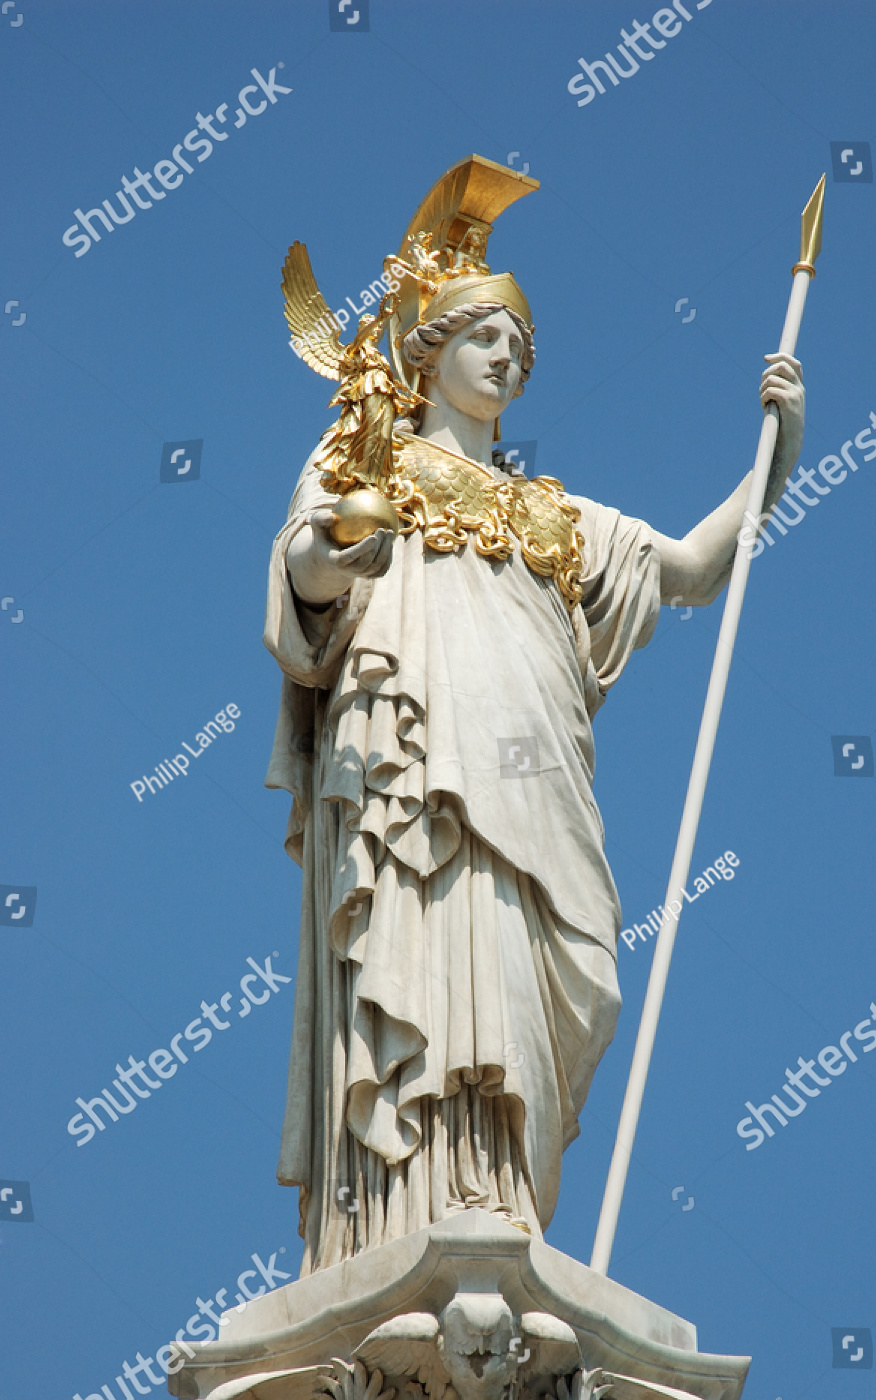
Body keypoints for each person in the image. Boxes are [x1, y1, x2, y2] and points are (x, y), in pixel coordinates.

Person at [264, 178, 804, 1276]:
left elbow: (693, 569)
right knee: (424, 933)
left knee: (533, 960)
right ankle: (404, 1204)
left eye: (521, 345)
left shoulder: (555, 517)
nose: (509, 360)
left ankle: (498, 1186)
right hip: (413, 765)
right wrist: (344, 551)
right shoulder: (368, 468)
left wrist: (775, 453)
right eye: (487, 338)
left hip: (534, 767)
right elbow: (303, 583)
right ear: (429, 353)